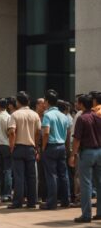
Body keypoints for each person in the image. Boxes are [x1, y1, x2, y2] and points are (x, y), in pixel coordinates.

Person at [69, 94, 101, 223]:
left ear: (82, 104)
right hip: (99, 151)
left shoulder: (82, 118)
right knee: (99, 184)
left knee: (86, 184)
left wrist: (73, 155)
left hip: (87, 152)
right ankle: (100, 213)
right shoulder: (98, 117)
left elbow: (77, 139)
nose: (76, 104)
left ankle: (86, 214)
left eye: (77, 103)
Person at [7, 91, 41, 209]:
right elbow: (38, 132)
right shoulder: (35, 115)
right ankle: (32, 201)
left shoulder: (15, 115)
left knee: (19, 176)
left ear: (18, 102)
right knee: (31, 176)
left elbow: (12, 132)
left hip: (18, 147)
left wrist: (11, 146)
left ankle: (18, 202)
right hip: (31, 147)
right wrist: (36, 147)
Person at [40, 90, 70, 210]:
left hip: (51, 146)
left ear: (47, 101)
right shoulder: (63, 116)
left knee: (51, 175)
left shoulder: (47, 115)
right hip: (62, 146)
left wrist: (43, 147)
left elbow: (46, 133)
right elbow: (68, 134)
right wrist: (67, 148)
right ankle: (65, 200)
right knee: (63, 174)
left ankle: (51, 202)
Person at [0, 98, 12, 202]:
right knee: (8, 170)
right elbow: (10, 132)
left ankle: (1, 192)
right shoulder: (9, 117)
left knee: (0, 171)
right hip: (7, 144)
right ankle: (7, 193)